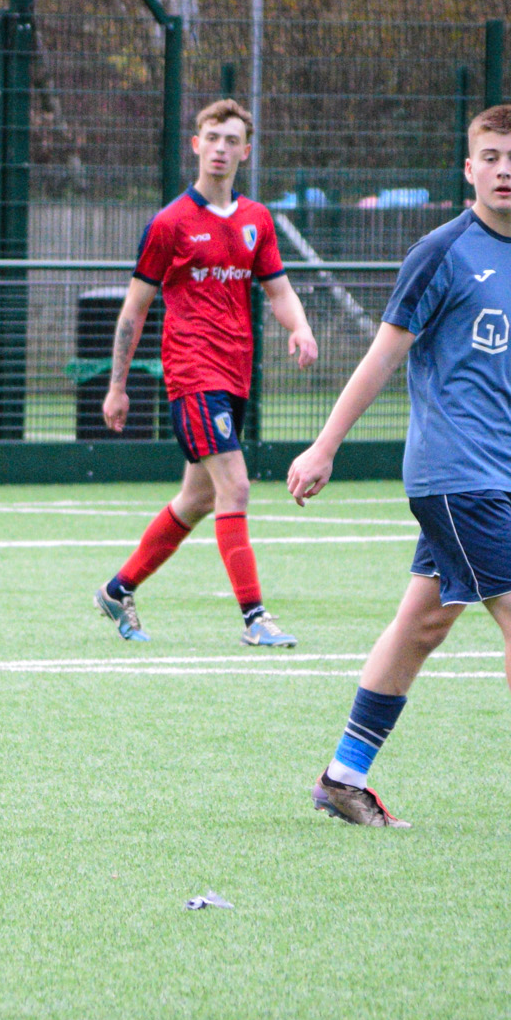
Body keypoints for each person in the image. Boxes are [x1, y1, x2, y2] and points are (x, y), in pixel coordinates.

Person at [285, 105, 511, 837]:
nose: (504, 169)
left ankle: (341, 778)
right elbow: (384, 354)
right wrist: (323, 444)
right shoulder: (442, 251)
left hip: (495, 475)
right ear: (468, 169)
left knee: (421, 624)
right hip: (452, 478)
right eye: (490, 156)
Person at [95, 98, 317, 647]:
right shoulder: (170, 223)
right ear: (196, 146)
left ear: (246, 150)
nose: (220, 148)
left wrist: (301, 328)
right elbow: (134, 310)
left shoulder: (256, 220)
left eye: (230, 139)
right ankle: (255, 619)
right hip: (192, 373)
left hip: (235, 373)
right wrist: (117, 386)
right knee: (235, 486)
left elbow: (279, 290)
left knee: (196, 498)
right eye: (211, 138)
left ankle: (117, 590)